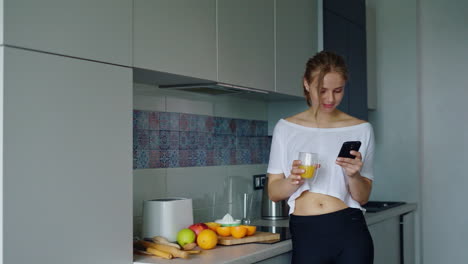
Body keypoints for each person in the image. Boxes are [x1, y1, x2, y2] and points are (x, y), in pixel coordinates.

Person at [267, 51, 374, 264]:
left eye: (338, 90)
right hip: (306, 232)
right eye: (322, 90)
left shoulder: (361, 129)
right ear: (306, 84)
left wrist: (353, 176)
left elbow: (362, 197)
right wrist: (293, 180)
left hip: (350, 230)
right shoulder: (285, 128)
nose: (330, 99)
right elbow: (273, 192)